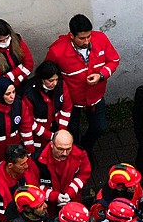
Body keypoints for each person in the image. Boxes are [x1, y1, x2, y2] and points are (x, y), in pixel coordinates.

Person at [45, 14, 120, 155]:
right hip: (71, 101)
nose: (87, 41)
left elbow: (114, 59)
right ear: (71, 35)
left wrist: (101, 74)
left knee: (100, 127)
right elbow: (49, 73)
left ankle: (85, 150)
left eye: (89, 36)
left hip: (95, 97)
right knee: (72, 132)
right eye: (82, 38)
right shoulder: (57, 51)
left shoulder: (101, 39)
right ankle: (76, 154)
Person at [35, 129, 91, 218]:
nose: (65, 153)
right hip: (47, 206)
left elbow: (84, 174)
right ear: (52, 145)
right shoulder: (38, 160)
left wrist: (70, 192)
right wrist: (54, 196)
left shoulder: (80, 155)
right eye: (60, 149)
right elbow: (33, 185)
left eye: (68, 149)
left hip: (73, 199)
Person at [23, 60, 72, 152]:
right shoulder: (30, 94)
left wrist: (61, 131)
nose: (55, 83)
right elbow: (28, 121)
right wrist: (49, 135)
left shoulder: (61, 85)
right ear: (42, 79)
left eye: (56, 79)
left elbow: (67, 108)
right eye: (51, 81)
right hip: (38, 135)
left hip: (56, 127)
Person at [0, 18, 34, 90]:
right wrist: (19, 69)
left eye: (7, 38)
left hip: (21, 83)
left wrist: (11, 77)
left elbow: (29, 64)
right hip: (1, 90)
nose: (5, 42)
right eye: (1, 40)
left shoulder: (17, 40)